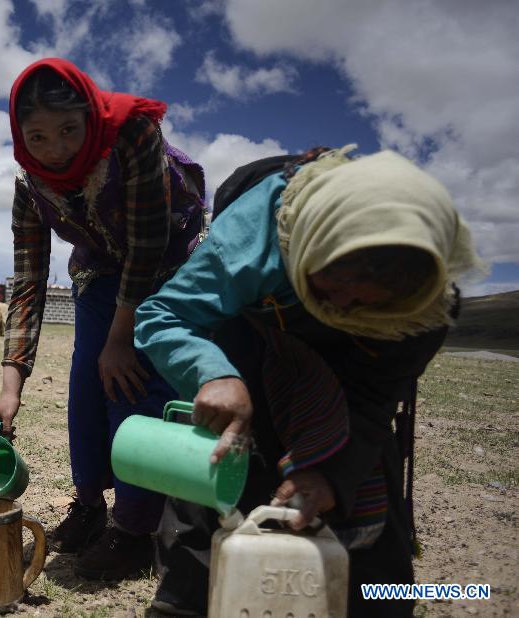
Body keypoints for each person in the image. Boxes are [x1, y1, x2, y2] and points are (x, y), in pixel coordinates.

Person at [133, 146, 485, 616]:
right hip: (249, 339)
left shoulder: (423, 309)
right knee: (222, 469)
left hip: (351, 373)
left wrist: (329, 474)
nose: (341, 310)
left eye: (367, 304)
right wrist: (212, 372)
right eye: (332, 288)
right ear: (306, 252)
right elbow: (164, 315)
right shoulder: (261, 236)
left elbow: (374, 401)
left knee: (367, 524)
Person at [0, 57, 208, 581]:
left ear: (90, 119)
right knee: (86, 382)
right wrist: (10, 385)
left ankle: (135, 530)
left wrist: (122, 338)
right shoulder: (30, 185)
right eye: (36, 136)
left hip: (167, 259)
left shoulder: (133, 135)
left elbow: (149, 242)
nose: (55, 149)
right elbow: (27, 281)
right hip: (99, 266)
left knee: (131, 383)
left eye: (68, 130)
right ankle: (88, 506)